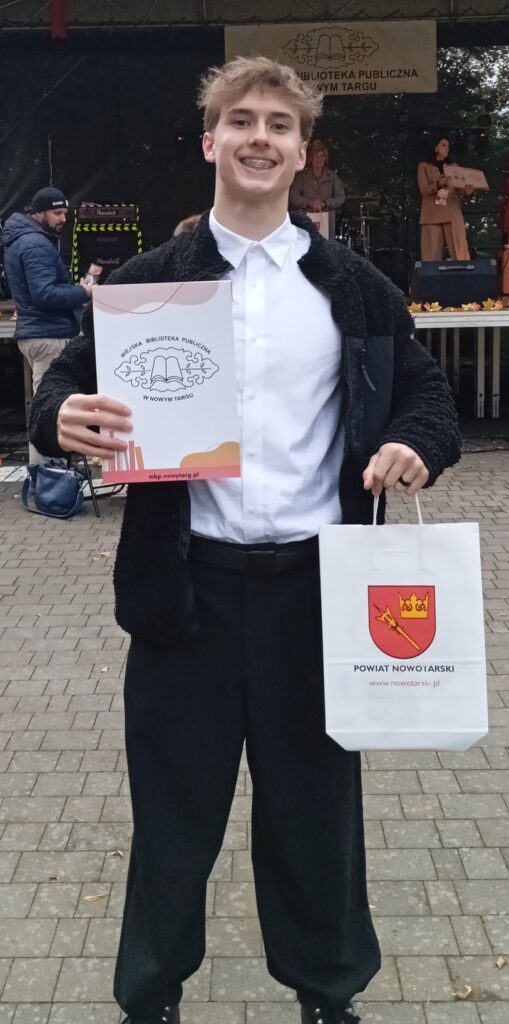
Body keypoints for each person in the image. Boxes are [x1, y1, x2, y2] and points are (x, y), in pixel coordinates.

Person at [30, 56, 461, 1024]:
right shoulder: (149, 284)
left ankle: (326, 992)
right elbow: (66, 383)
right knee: (172, 813)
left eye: (278, 124)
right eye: (240, 120)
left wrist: (412, 444)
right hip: (183, 595)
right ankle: (151, 996)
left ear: (302, 153)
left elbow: (426, 394)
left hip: (314, 592)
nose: (258, 137)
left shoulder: (354, 288)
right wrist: (59, 418)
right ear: (209, 141)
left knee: (316, 813)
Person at [1, 186, 91, 463]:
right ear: (39, 212)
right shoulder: (35, 244)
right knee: (49, 410)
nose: (63, 218)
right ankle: (46, 478)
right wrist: (84, 291)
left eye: (65, 212)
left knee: (49, 404)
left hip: (39, 332)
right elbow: (45, 294)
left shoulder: (23, 239)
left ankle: (52, 473)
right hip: (48, 334)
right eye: (57, 213)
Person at [418, 136, 474, 261]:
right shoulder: (424, 166)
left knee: (460, 251)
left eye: (448, 146)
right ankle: (431, 274)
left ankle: (463, 272)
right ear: (435, 147)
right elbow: (423, 189)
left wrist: (467, 191)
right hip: (432, 212)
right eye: (443, 145)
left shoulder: (454, 167)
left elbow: (461, 189)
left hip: (451, 210)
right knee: (431, 255)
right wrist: (438, 184)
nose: (447, 149)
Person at [289, 138, 345, 237]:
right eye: (316, 156)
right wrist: (309, 203)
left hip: (327, 222)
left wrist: (325, 203)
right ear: (311, 158)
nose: (319, 159)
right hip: (305, 221)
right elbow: (293, 197)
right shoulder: (302, 176)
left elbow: (340, 197)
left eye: (322, 156)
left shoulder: (332, 176)